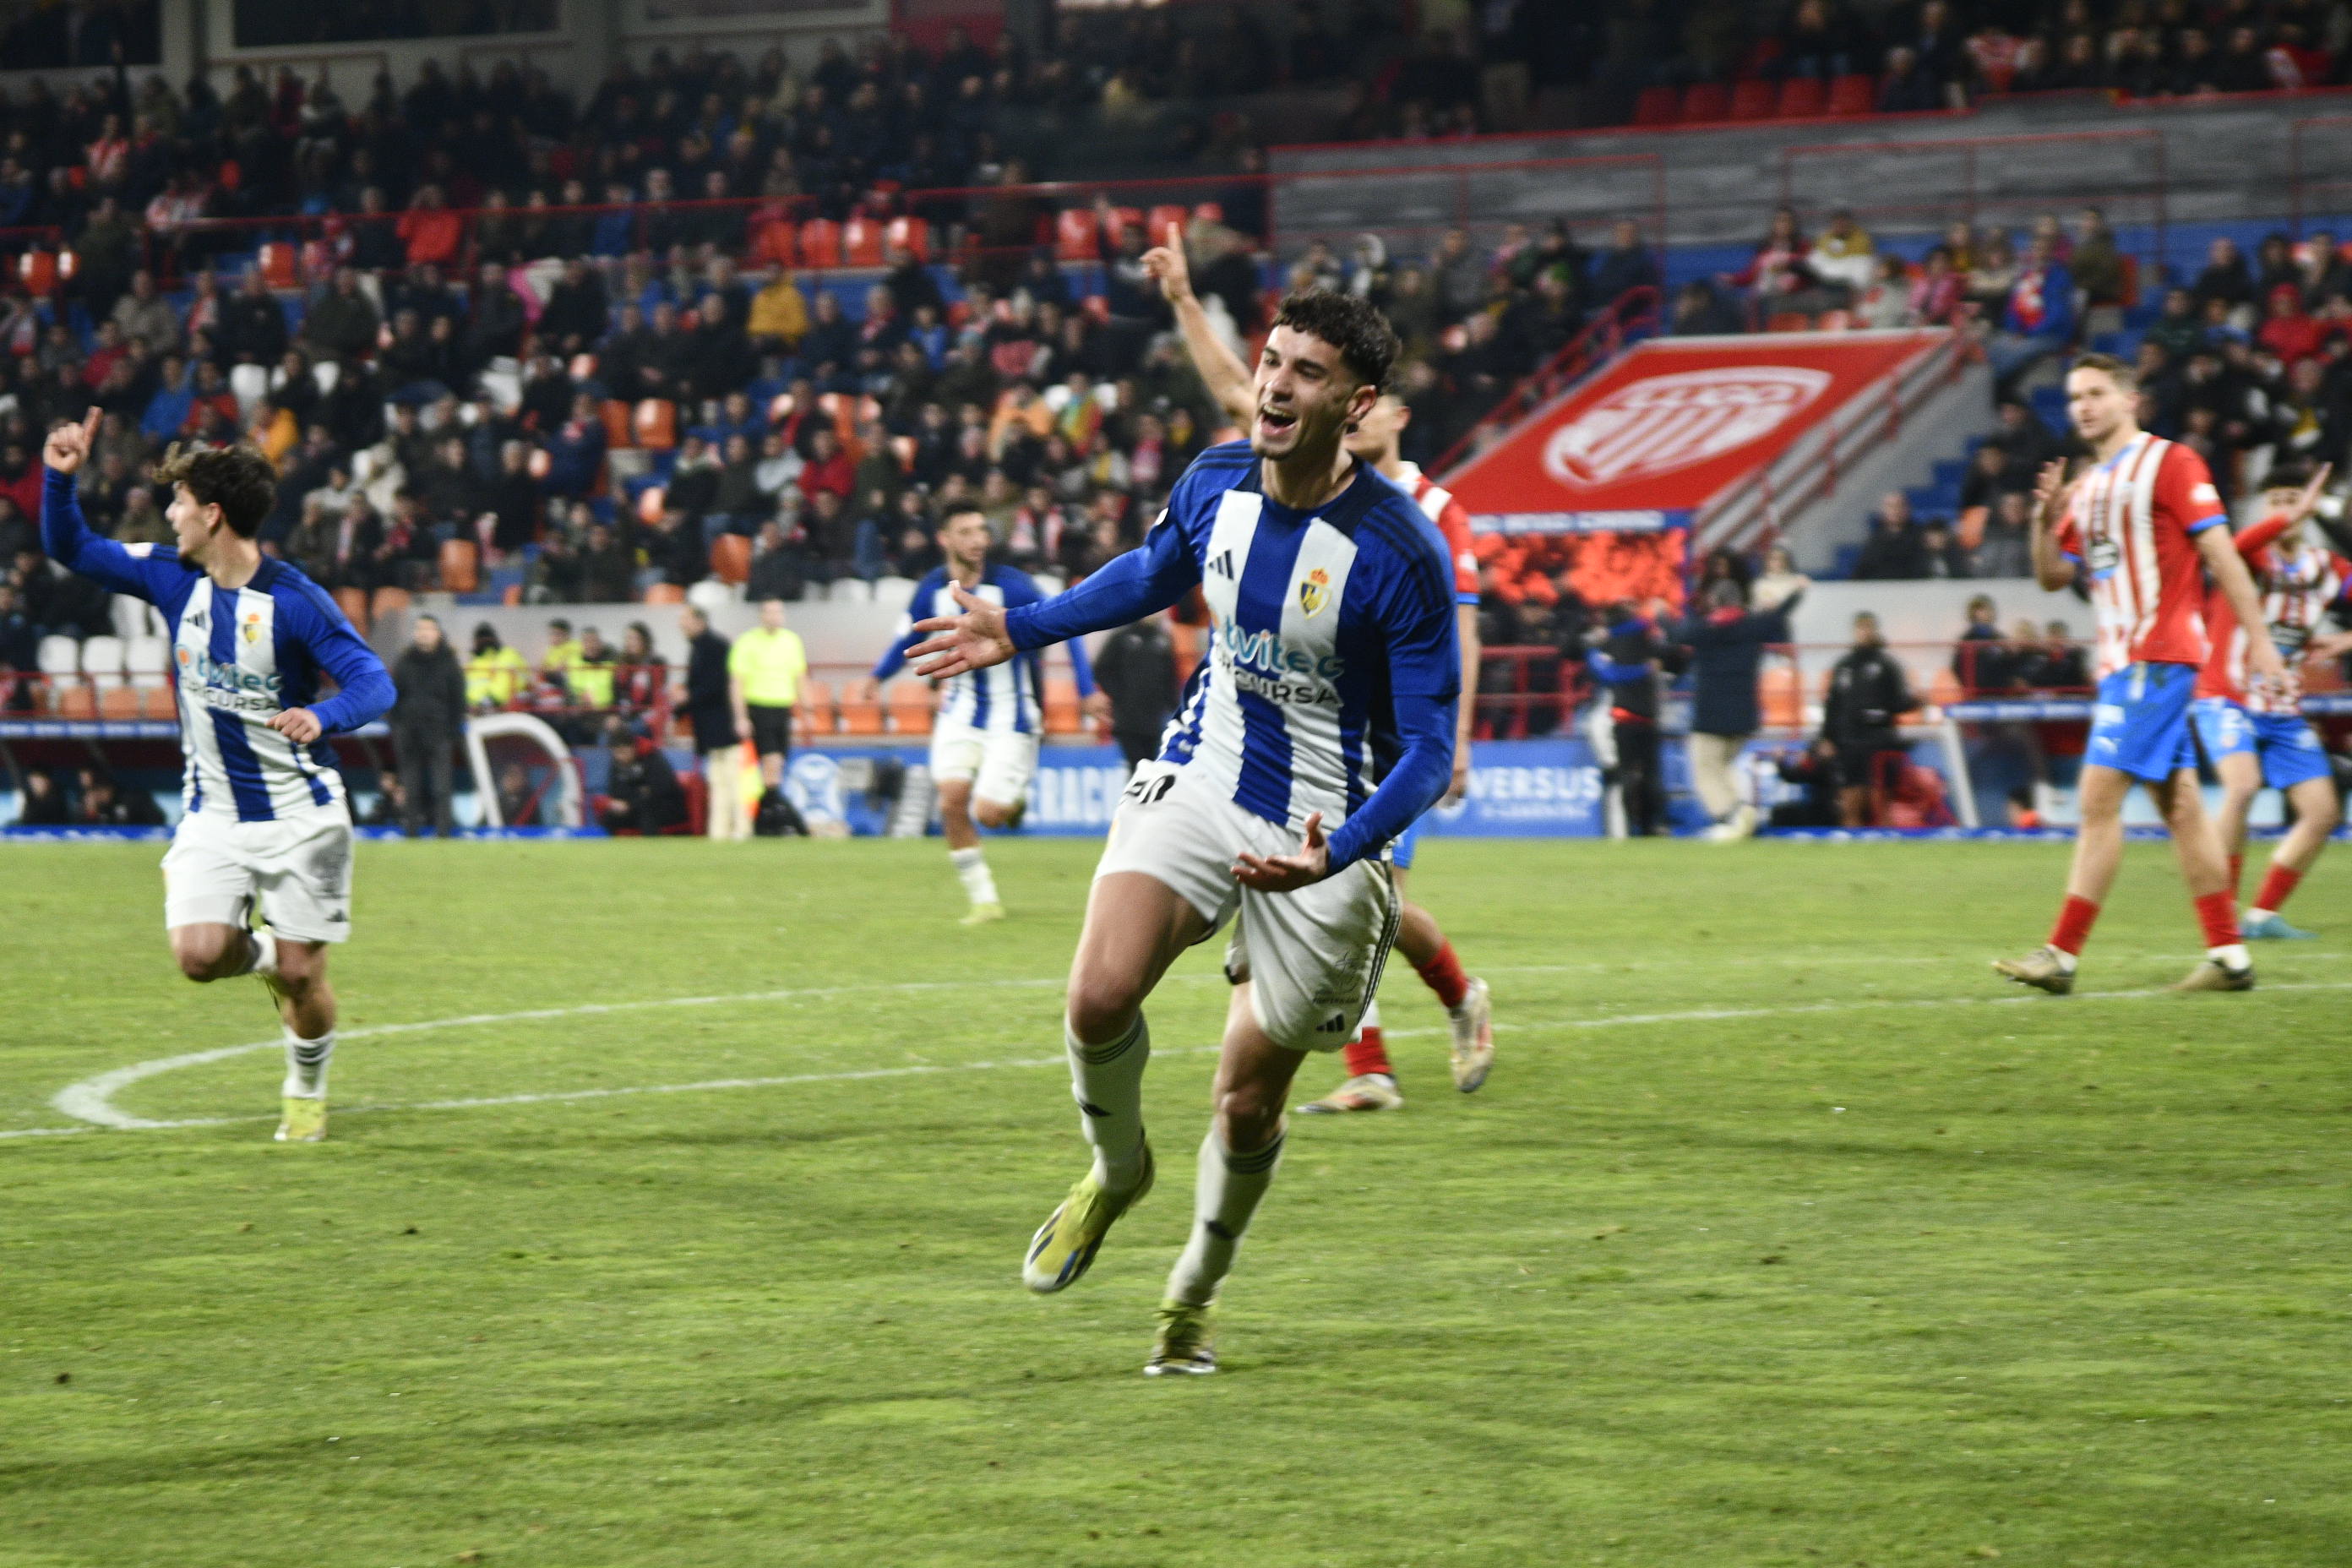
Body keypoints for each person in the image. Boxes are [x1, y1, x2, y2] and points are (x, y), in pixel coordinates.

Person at [905, 291, 1457, 1375]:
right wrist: (1018, 626)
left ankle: (1189, 1301)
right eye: (1270, 360)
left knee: (1247, 1100)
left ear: (1359, 403)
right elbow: (1152, 574)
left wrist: (1338, 853)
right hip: (1204, 767)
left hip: (1325, 829)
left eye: (1305, 371)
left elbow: (1430, 752)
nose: (1275, 384)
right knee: (1096, 994)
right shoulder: (1215, 480)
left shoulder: (1403, 551)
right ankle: (1116, 1172)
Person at [1146, 232, 1493, 1115]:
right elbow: (1234, 387)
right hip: (1286, 734)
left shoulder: (1429, 515)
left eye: (1360, 403)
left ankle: (1452, 1001)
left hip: (1376, 744)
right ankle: (1366, 1065)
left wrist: (1450, 742)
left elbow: (1460, 629)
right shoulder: (1285, 468)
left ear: (1374, 407)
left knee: (1370, 900)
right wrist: (1185, 299)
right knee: (1323, 897)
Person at [38, 408, 393, 1141]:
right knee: (199, 958)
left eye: (179, 503)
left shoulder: (294, 601)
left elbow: (374, 680)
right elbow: (71, 546)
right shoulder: (170, 578)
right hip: (214, 814)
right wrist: (58, 477)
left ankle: (305, 1087)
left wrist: (324, 718)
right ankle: (264, 953)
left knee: (305, 979)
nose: (169, 514)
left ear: (213, 514)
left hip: (303, 814)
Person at [1995, 355, 2288, 996]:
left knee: (2098, 798)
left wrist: (2261, 643)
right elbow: (2052, 577)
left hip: (2156, 657)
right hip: (2121, 664)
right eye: (2075, 396)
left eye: (2098, 393)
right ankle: (2229, 957)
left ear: (2131, 399)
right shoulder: (2088, 486)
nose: (2084, 406)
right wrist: (2044, 522)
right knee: (2180, 805)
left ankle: (2062, 955)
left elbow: (2221, 552)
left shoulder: (2171, 462)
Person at [865, 507, 1094, 923]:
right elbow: (905, 638)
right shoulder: (929, 590)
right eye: (965, 531)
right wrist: (875, 678)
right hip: (959, 712)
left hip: (1013, 717)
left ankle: (1015, 796)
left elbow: (1068, 628)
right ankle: (984, 899)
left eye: (982, 530)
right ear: (944, 539)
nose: (977, 539)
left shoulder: (1014, 587)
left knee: (989, 814)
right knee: (951, 801)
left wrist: (1086, 689)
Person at [2191, 460, 2345, 940]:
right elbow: (2236, 546)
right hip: (2227, 697)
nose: (2286, 509)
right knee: (2241, 787)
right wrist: (2287, 516)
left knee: (2322, 813)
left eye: (2293, 499)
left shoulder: (2326, 568)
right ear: (2263, 508)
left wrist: (2344, 641)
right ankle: (2223, 918)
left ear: (2312, 505)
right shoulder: (2251, 558)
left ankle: (2261, 916)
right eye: (2275, 501)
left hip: (2281, 708)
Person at [1673, 575, 1805, 841]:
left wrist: (1662, 615)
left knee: (1704, 771)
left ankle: (1732, 815)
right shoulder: (1752, 626)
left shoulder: (1705, 630)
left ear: (1714, 601)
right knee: (1724, 767)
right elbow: (1778, 615)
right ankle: (1740, 821)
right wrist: (1797, 592)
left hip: (1711, 716)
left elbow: (1679, 634)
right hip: (1744, 716)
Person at [1821, 612, 1914, 827]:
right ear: (1854, 632)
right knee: (1850, 804)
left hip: (1878, 740)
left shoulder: (1887, 665)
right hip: (1848, 742)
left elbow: (1897, 702)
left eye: (1868, 628)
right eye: (1860, 628)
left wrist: (1915, 702)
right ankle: (1850, 855)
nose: (1864, 633)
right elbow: (1832, 705)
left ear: (1875, 631)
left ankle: (1886, 853)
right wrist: (1827, 737)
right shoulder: (1843, 666)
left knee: (1880, 802)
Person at [730, 597, 808, 830]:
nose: (774, 617)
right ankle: (792, 824)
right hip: (759, 708)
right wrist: (741, 717)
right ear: (762, 616)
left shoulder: (791, 641)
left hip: (782, 709)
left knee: (776, 766)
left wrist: (806, 710)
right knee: (771, 764)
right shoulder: (747, 642)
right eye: (769, 612)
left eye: (778, 612)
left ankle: (766, 819)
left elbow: (800, 677)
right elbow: (737, 682)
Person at [389, 613, 466, 836]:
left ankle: (443, 833)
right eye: (419, 629)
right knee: (411, 788)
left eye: (428, 629)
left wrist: (451, 730)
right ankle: (411, 832)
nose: (423, 633)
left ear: (437, 633)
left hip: (439, 733)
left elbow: (458, 700)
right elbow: (394, 696)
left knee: (442, 787)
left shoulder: (449, 663)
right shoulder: (404, 662)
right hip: (409, 733)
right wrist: (398, 726)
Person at [681, 605, 746, 841]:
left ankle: (739, 828)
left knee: (731, 780)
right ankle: (720, 831)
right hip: (712, 728)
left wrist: (689, 697)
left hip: (723, 725)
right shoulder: (701, 647)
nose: (681, 625)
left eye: (685, 620)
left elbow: (718, 685)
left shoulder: (716, 647)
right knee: (718, 781)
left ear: (699, 621)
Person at [1090, 615, 1182, 771]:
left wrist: (1174, 708)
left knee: (1153, 767)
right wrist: (1119, 693)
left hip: (1155, 718)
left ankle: (1150, 795)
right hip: (1127, 718)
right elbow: (1101, 669)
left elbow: (1171, 677)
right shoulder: (1122, 637)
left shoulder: (1163, 640)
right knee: (1137, 766)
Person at [598, 727, 688, 835]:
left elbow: (661, 789)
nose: (620, 757)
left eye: (623, 752)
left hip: (667, 808)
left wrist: (631, 802)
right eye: (616, 753)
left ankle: (651, 849)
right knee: (610, 816)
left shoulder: (653, 758)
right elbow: (615, 790)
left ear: (633, 748)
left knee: (646, 812)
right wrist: (618, 803)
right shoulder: (616, 764)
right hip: (633, 807)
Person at [465, 622, 527, 709]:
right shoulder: (475, 662)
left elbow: (504, 685)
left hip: (501, 707)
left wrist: (491, 700)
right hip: (480, 707)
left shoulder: (508, 655)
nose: (484, 641)